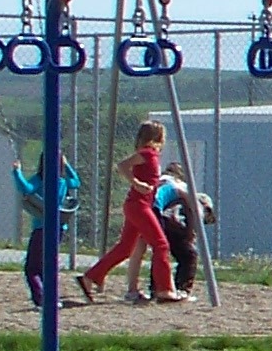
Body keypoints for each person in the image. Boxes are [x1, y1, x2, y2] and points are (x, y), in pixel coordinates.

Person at [79, 119, 172, 304]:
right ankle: (164, 290)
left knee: (125, 248)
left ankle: (90, 277)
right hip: (139, 205)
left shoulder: (152, 156)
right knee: (161, 245)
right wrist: (137, 183)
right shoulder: (146, 153)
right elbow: (122, 166)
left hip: (139, 204)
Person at [13, 146, 80, 312]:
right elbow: (76, 181)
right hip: (58, 228)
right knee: (48, 264)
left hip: (41, 228)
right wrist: (67, 165)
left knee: (32, 269)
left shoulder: (40, 179)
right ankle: (53, 298)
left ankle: (42, 300)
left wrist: (16, 172)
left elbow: (26, 188)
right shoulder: (63, 181)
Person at [159, 180, 214, 297]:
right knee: (189, 256)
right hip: (175, 228)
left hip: (161, 224)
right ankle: (183, 289)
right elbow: (189, 222)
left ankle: (157, 288)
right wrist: (190, 234)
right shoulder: (193, 205)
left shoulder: (177, 200)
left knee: (160, 256)